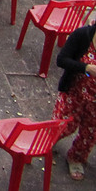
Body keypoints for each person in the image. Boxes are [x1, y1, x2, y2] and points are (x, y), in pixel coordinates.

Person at [55, 19, 96, 179]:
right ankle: (46, 141)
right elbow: (62, 60)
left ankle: (76, 158)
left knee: (90, 133)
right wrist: (86, 68)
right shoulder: (82, 35)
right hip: (75, 93)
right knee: (64, 126)